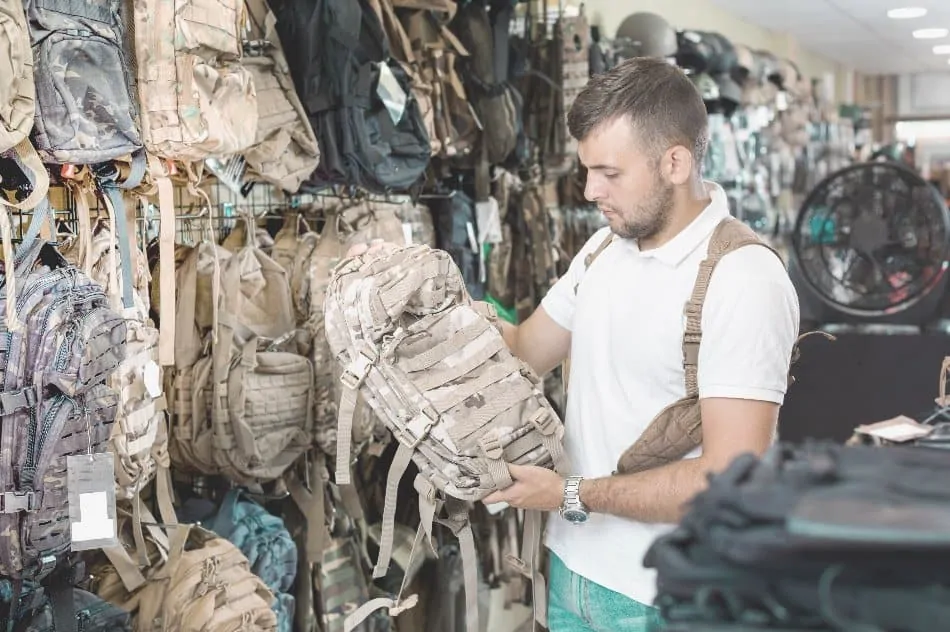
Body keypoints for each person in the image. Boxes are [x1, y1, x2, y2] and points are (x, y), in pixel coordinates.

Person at [476, 57, 800, 631]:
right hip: (572, 569)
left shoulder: (743, 278)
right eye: (586, 171)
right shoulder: (602, 250)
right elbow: (525, 351)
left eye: (609, 173)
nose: (589, 190)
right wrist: (430, 299)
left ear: (674, 162)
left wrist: (571, 494)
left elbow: (729, 480)